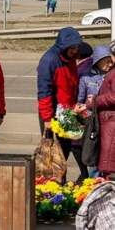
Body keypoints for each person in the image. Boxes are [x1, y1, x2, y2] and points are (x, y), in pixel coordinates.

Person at [37, 27, 82, 164]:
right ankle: (53, 181)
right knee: (53, 153)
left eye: (76, 47)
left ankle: (61, 180)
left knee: (66, 149)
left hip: (67, 110)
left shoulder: (70, 58)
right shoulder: (49, 60)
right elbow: (44, 91)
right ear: (64, 46)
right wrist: (47, 119)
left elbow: (72, 85)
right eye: (72, 48)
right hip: (53, 113)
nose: (75, 51)